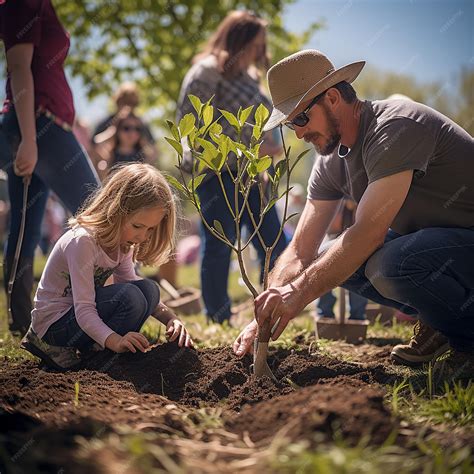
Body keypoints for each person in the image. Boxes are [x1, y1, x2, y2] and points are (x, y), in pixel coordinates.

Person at [233, 49, 474, 384]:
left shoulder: (394, 127)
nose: (298, 133)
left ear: (332, 97)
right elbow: (301, 250)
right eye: (290, 124)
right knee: (332, 255)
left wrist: (299, 292)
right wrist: (267, 310)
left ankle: (467, 343)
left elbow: (369, 232)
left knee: (390, 263)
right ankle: (441, 321)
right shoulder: (331, 161)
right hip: (442, 251)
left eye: (301, 118)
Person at [21, 164, 193, 370]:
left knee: (148, 290)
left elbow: (134, 286)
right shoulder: (83, 241)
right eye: (138, 226)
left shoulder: (124, 243)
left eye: (150, 229)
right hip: (53, 326)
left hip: (77, 318)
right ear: (115, 210)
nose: (142, 236)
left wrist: (171, 319)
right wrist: (115, 340)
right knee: (130, 297)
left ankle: (99, 350)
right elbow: (84, 309)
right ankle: (78, 349)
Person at [176, 10, 287, 323]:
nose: (259, 53)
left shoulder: (250, 78)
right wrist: (242, 150)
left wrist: (268, 148)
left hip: (254, 175)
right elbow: (192, 129)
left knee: (272, 239)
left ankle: (276, 307)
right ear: (238, 41)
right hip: (219, 175)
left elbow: (264, 120)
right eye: (254, 45)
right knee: (220, 244)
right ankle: (219, 316)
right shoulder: (207, 73)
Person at [0, 0, 100, 335]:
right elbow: (18, 67)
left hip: (40, 127)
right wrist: (30, 138)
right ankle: (104, 310)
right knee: (101, 211)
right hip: (40, 125)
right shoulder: (22, 3)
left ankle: (23, 322)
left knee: (25, 224)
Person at [93, 109, 157, 180]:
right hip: (115, 188)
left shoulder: (142, 155)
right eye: (126, 128)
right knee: (102, 165)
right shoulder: (110, 155)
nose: (132, 133)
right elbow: (96, 142)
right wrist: (111, 132)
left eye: (137, 129)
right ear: (117, 130)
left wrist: (143, 141)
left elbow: (155, 153)